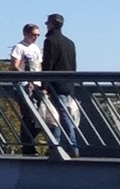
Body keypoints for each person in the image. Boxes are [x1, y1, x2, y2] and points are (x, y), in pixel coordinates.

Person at [41, 12, 82, 152]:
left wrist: (44, 85)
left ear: (51, 24)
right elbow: (73, 65)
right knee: (60, 113)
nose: (46, 25)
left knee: (61, 114)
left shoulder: (50, 41)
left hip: (55, 84)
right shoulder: (70, 43)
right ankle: (55, 145)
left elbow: (48, 64)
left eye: (47, 23)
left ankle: (72, 146)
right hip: (68, 84)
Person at [8, 23, 49, 156]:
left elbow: (40, 65)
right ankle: (27, 146)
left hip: (36, 84)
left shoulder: (36, 48)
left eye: (37, 35)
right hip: (24, 84)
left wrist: (42, 83)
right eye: (33, 35)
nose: (35, 37)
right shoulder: (19, 47)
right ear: (25, 33)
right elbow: (14, 66)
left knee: (40, 115)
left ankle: (30, 142)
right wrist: (26, 77)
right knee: (28, 116)